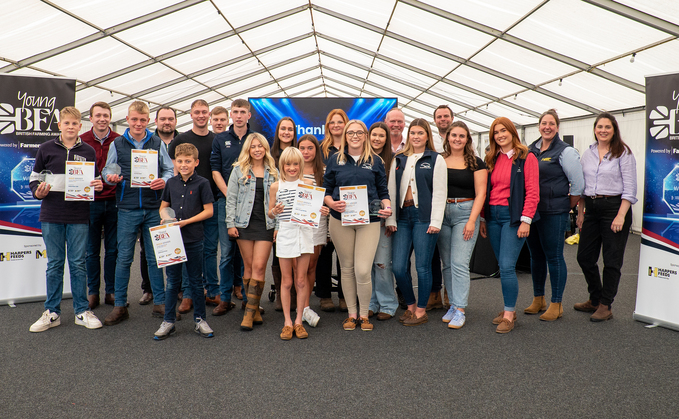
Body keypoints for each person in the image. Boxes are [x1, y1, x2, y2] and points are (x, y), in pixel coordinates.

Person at [28, 106, 104, 332]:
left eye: (75, 123)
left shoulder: (89, 151)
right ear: (59, 125)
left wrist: (98, 186)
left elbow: (96, 181)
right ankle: (52, 312)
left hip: (79, 216)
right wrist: (37, 191)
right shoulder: (45, 148)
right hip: (51, 214)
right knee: (54, 264)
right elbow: (34, 179)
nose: (71, 127)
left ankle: (82, 311)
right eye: (66, 123)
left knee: (79, 264)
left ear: (81, 126)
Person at [103, 101, 174, 326]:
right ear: (128, 119)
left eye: (143, 120)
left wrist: (164, 180)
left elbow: (169, 169)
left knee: (155, 258)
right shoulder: (118, 143)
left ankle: (160, 303)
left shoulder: (156, 142)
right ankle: (120, 305)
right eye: (134, 119)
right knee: (124, 258)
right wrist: (110, 178)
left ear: (148, 120)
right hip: (127, 208)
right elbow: (107, 170)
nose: (138, 123)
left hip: (153, 208)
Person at [324, 120, 392, 331]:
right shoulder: (335, 159)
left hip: (368, 220)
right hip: (339, 220)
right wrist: (331, 203)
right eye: (350, 132)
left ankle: (364, 315)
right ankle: (352, 315)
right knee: (347, 268)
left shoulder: (376, 160)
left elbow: (383, 192)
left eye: (359, 132)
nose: (355, 136)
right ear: (345, 135)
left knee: (363, 270)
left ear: (365, 135)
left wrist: (387, 208)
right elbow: (326, 191)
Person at [574, 112, 637, 322]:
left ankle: (605, 304)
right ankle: (595, 297)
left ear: (614, 129)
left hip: (614, 208)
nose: (603, 130)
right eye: (600, 126)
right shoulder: (588, 153)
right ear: (594, 129)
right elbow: (582, 185)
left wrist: (621, 216)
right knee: (584, 257)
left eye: (607, 127)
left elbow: (630, 188)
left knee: (611, 260)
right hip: (591, 208)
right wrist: (581, 211)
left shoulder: (623, 153)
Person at [479, 117, 539, 334]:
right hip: (493, 217)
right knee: (502, 267)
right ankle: (508, 310)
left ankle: (509, 313)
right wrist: (484, 218)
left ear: (512, 132)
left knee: (506, 265)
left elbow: (532, 191)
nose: (500, 135)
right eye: (496, 132)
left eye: (503, 130)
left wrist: (526, 220)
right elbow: (488, 190)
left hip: (513, 217)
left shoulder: (526, 157)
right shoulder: (491, 158)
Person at [524, 109, 584, 321]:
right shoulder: (530, 149)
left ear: (557, 127)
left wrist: (564, 205)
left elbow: (578, 185)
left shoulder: (566, 151)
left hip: (554, 213)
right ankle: (538, 298)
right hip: (532, 212)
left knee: (554, 257)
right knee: (536, 256)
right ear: (539, 126)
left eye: (551, 123)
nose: (547, 127)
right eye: (543, 123)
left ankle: (556, 303)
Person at [387, 118, 446, 326]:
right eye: (413, 133)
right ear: (408, 135)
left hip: (424, 218)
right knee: (399, 267)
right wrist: (391, 219)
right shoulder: (399, 159)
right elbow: (391, 190)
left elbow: (440, 193)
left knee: (423, 266)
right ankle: (410, 305)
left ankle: (421, 310)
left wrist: (436, 221)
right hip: (402, 217)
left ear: (427, 135)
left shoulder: (436, 159)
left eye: (420, 133)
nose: (416, 136)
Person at [154, 143, 215, 340]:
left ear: (196, 162)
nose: (184, 164)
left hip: (194, 238)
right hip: (172, 240)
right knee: (172, 282)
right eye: (180, 161)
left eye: (188, 161)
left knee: (196, 282)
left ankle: (200, 320)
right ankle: (169, 321)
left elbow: (209, 211)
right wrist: (165, 217)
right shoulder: (171, 183)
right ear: (175, 162)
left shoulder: (203, 183)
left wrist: (187, 221)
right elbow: (163, 206)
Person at [168, 100, 219, 315]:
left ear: (209, 115)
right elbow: (174, 170)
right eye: (197, 112)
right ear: (190, 114)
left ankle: (211, 290)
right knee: (187, 250)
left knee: (209, 250)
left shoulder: (216, 139)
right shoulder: (181, 139)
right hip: (186, 204)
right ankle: (188, 294)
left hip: (210, 200)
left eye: (204, 112)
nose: (201, 115)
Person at [438, 121, 487, 329]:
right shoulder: (439, 160)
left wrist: (472, 221)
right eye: (454, 135)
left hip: (465, 213)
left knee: (459, 263)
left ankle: (460, 309)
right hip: (442, 214)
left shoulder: (477, 163)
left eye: (462, 136)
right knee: (447, 264)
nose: (457, 139)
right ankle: (452, 305)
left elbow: (481, 193)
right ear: (447, 137)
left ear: (467, 139)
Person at [226, 133, 278, 330]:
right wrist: (231, 223)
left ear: (265, 149)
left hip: (266, 224)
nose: (257, 149)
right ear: (248, 149)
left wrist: (278, 227)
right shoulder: (238, 170)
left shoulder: (273, 172)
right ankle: (254, 309)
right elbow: (231, 198)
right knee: (248, 267)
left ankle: (248, 313)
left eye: (261, 146)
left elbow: (280, 202)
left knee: (258, 266)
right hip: (243, 223)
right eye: (253, 146)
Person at [268, 147, 317, 340]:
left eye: (295, 164)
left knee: (301, 280)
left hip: (304, 233)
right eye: (288, 164)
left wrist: (320, 210)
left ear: (301, 165)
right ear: (282, 165)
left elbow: (313, 209)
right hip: (286, 233)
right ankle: (287, 322)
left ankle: (299, 321)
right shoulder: (275, 186)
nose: (292, 168)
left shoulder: (307, 183)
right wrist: (275, 212)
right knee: (287, 281)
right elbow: (270, 213)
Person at [210, 99, 252, 316]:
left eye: (242, 112)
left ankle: (248, 299)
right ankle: (225, 299)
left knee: (247, 256)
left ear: (248, 115)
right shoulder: (220, 139)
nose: (238, 115)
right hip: (225, 202)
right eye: (235, 112)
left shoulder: (255, 139)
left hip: (250, 204)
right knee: (226, 254)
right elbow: (215, 170)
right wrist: (229, 194)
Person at [81, 101, 120, 310]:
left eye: (106, 115)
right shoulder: (81, 141)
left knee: (113, 249)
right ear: (91, 118)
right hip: (90, 203)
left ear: (110, 117)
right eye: (98, 115)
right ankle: (93, 292)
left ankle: (111, 291)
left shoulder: (119, 141)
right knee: (91, 250)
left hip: (115, 201)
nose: (102, 119)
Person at [139, 106, 179, 305]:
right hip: (151, 201)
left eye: (170, 119)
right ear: (155, 121)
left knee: (175, 243)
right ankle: (149, 289)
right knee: (148, 249)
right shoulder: (148, 140)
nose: (167, 122)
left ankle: (177, 288)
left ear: (175, 121)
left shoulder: (182, 140)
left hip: (177, 200)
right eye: (163, 119)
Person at [317, 109, 349, 312]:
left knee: (344, 253)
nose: (336, 125)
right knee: (324, 251)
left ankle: (345, 295)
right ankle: (324, 294)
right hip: (323, 204)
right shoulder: (321, 149)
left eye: (340, 122)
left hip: (347, 207)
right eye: (332, 122)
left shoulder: (353, 147)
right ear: (327, 125)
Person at [366, 122, 398, 321]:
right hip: (363, 220)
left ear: (387, 139)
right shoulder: (362, 159)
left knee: (382, 263)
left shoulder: (393, 160)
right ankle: (370, 303)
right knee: (366, 263)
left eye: (381, 135)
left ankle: (387, 303)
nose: (377, 139)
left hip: (383, 220)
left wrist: (390, 219)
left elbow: (393, 192)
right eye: (374, 135)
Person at [298, 134, 329, 325]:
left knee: (311, 266)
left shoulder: (323, 171)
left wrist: (327, 206)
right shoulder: (291, 170)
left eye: (310, 148)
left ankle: (305, 307)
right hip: (296, 225)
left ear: (316, 151)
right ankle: (301, 307)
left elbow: (328, 196)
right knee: (298, 268)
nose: (306, 152)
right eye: (302, 148)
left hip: (317, 224)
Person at [269, 117, 298, 312]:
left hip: (296, 217)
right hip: (274, 212)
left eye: (290, 129)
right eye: (283, 129)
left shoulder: (298, 155)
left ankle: (294, 296)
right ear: (278, 131)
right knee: (278, 257)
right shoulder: (269, 156)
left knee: (297, 257)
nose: (286, 132)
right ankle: (281, 293)